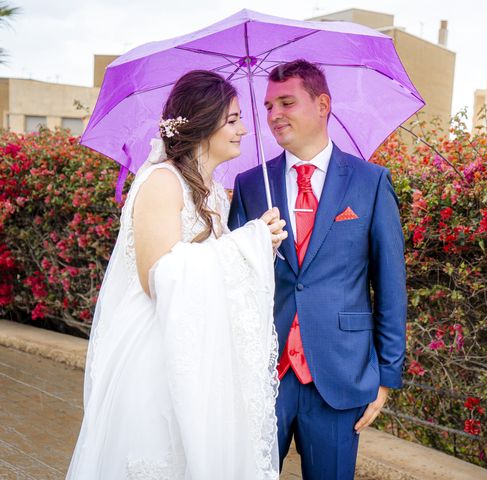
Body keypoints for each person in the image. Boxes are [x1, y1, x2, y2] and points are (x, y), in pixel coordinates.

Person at [66, 70, 286, 480]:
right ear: (204, 123)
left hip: (201, 348)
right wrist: (245, 244)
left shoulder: (215, 192)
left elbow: (213, 268)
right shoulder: (162, 182)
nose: (244, 129)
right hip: (157, 353)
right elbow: (159, 277)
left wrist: (260, 246)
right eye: (233, 119)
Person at [229, 59, 407, 480]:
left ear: (322, 104)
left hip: (340, 373)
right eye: (269, 106)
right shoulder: (252, 184)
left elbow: (391, 285)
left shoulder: (370, 181)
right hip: (263, 373)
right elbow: (233, 280)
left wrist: (385, 378)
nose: (274, 115)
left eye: (287, 103)